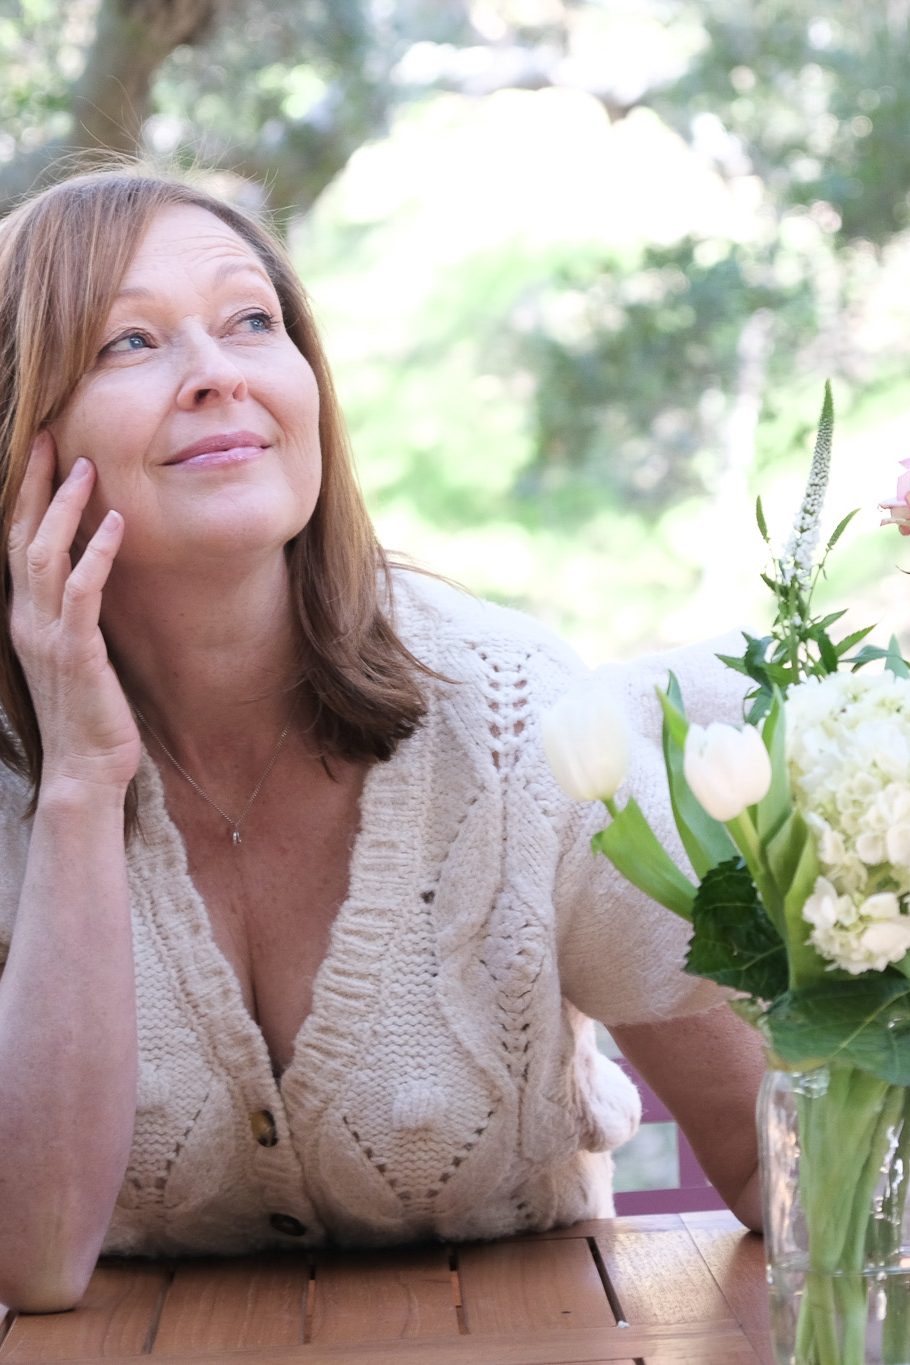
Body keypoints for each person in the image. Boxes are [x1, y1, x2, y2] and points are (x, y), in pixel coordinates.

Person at [0, 166, 765, 1314]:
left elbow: (775, 1170)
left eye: (252, 321)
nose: (219, 375)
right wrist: (79, 786)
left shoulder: (513, 716)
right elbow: (37, 1256)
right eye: (129, 343)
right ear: (25, 439)